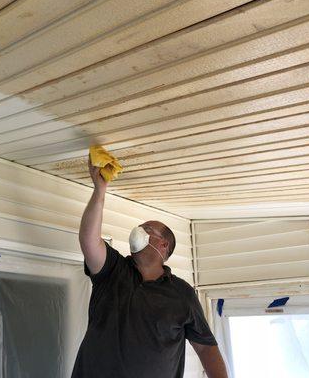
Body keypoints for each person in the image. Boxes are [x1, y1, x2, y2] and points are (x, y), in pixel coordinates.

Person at [71, 157, 228, 378]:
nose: (139, 231)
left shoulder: (182, 293)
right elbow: (89, 240)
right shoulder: (113, 270)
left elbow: (205, 347)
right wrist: (100, 190)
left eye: (147, 229)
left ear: (163, 245)